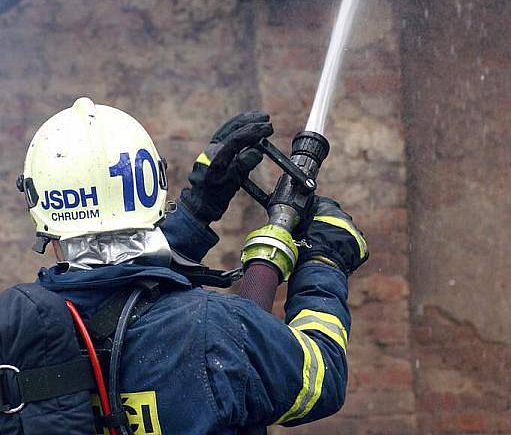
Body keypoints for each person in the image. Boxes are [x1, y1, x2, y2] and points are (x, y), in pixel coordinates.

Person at [2, 97, 369, 435]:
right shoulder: (216, 331)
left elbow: (113, 284)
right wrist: (324, 262)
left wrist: (197, 211)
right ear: (149, 184)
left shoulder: (23, 341)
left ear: (42, 207)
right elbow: (321, 380)